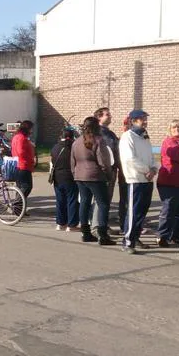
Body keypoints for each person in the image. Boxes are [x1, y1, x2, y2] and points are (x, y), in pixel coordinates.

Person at [71, 117, 116, 245]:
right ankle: (103, 234)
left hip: (80, 176)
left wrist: (75, 174)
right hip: (95, 176)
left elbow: (72, 161)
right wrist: (108, 175)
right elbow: (103, 161)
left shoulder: (77, 142)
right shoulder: (98, 140)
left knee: (85, 202)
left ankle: (85, 233)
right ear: (97, 127)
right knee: (103, 204)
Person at [119, 110, 157, 254]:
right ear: (133, 121)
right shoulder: (127, 136)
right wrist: (147, 170)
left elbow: (151, 156)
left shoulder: (145, 136)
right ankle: (128, 242)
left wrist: (154, 168)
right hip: (135, 179)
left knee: (142, 212)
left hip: (147, 179)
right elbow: (130, 159)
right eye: (142, 119)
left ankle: (135, 237)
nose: (145, 122)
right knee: (134, 211)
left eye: (145, 119)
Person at [156, 120, 179, 247]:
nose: (177, 129)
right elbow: (176, 153)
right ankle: (162, 236)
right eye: (174, 127)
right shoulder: (168, 142)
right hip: (169, 182)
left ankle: (177, 235)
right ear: (170, 130)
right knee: (169, 210)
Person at [94, 107, 121, 235]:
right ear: (99, 117)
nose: (110, 116)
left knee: (107, 199)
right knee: (101, 199)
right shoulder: (98, 133)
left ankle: (103, 224)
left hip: (112, 169)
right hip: (103, 170)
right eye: (107, 114)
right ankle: (96, 226)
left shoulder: (109, 133)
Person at [50, 128, 79, 232]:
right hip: (70, 177)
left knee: (60, 200)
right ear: (71, 137)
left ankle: (60, 223)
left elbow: (52, 161)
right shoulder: (72, 147)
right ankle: (71, 225)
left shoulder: (55, 147)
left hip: (57, 177)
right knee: (72, 200)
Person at [11, 120, 36, 204]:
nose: (32, 131)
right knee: (27, 187)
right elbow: (21, 152)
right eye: (31, 129)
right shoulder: (22, 138)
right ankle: (16, 203)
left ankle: (18, 208)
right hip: (23, 165)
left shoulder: (17, 137)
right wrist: (31, 159)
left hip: (18, 165)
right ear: (27, 129)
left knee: (20, 187)